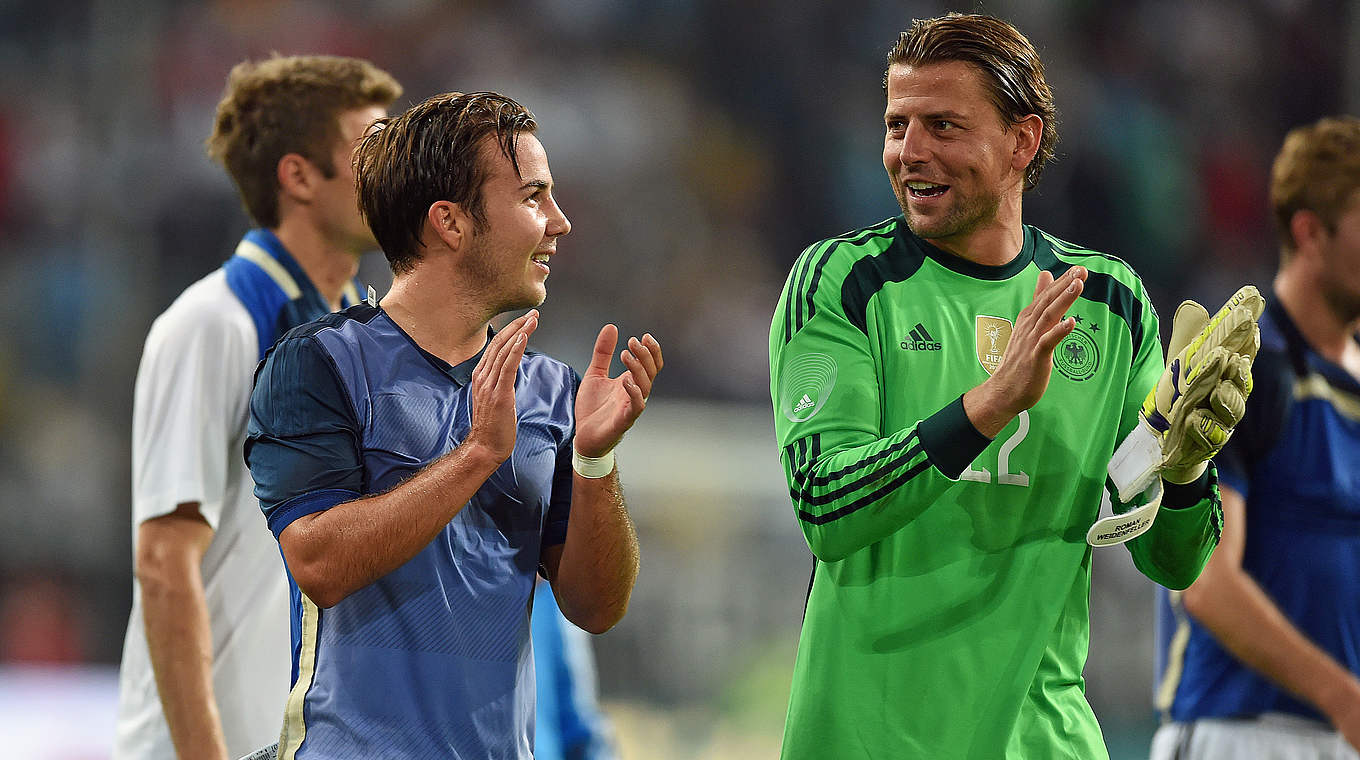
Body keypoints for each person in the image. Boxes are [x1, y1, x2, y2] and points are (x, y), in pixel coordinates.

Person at [768, 13, 1254, 759]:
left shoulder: (1109, 302)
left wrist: (1185, 472)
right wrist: (988, 406)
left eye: (943, 126)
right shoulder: (844, 283)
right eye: (897, 124)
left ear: (1021, 141)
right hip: (871, 738)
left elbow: (1174, 561)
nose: (909, 152)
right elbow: (826, 508)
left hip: (1046, 740)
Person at [243, 91, 662, 759]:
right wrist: (476, 456)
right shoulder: (318, 364)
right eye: (533, 197)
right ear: (450, 222)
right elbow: (317, 561)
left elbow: (596, 608)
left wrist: (594, 462)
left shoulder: (551, 391)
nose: (560, 222)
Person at [113, 55, 401, 760]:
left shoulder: (370, 334)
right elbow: (163, 558)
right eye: (373, 151)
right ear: (299, 176)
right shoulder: (212, 324)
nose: (397, 173)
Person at [1151, 116, 1360, 759]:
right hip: (1238, 731)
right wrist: (1342, 695)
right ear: (1309, 232)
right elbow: (1205, 584)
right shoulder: (1247, 372)